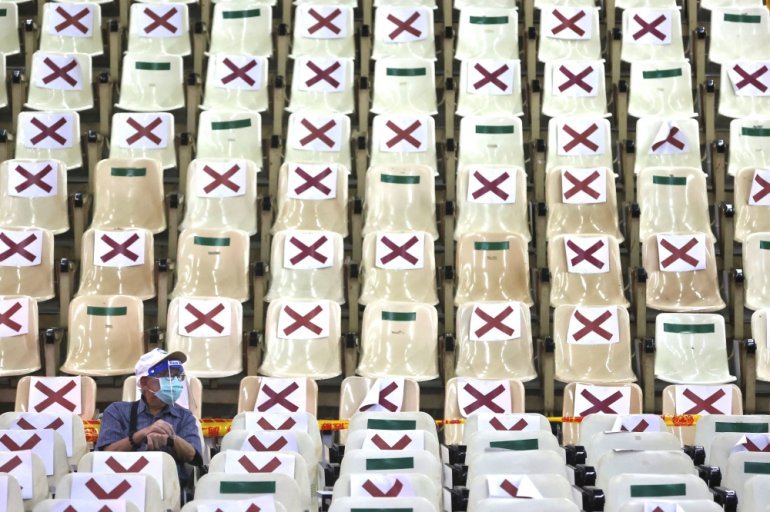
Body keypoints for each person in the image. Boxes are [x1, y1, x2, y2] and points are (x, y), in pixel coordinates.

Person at [97, 348, 203, 486]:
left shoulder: (185, 416)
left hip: (169, 490)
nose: (174, 381)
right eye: (166, 375)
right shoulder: (117, 411)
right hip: (123, 486)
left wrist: (171, 439)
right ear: (144, 382)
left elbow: (192, 455)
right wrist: (141, 435)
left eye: (177, 376)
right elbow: (105, 455)